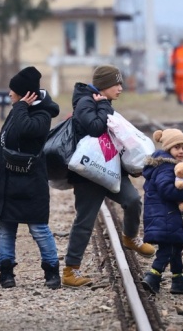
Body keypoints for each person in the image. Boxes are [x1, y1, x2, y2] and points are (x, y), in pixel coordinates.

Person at [63, 65, 155, 288]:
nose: (121, 88)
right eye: (117, 83)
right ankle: (69, 271)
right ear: (104, 85)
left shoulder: (100, 101)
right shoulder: (86, 102)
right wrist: (103, 105)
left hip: (110, 168)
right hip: (90, 174)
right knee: (85, 221)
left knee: (133, 200)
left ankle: (130, 237)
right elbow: (94, 128)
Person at [0, 67, 62, 289]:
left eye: (14, 91)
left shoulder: (43, 114)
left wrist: (21, 107)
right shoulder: (17, 110)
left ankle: (52, 272)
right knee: (6, 228)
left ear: (25, 94)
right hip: (8, 181)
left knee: (39, 229)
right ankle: (6, 273)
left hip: (32, 184)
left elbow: (26, 129)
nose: (10, 94)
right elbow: (1, 142)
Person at [140, 128, 183, 295]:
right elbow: (167, 190)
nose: (181, 151)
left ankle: (178, 280)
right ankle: (153, 276)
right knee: (167, 249)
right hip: (164, 215)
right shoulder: (166, 167)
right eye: (177, 148)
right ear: (168, 148)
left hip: (164, 214)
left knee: (176, 246)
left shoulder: (169, 166)